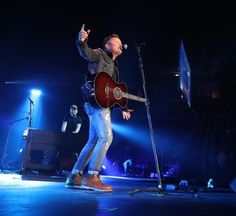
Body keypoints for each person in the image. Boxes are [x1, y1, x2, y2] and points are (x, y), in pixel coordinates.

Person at [65, 25, 133, 191]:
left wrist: (123, 107)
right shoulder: (100, 54)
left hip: (99, 105)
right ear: (108, 45)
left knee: (93, 140)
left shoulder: (115, 69)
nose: (121, 44)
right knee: (106, 137)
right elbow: (86, 53)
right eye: (118, 42)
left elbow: (113, 94)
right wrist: (82, 42)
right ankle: (92, 176)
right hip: (94, 103)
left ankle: (74, 176)